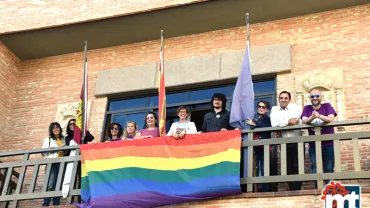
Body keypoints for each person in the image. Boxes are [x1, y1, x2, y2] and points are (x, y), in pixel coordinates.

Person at [301, 88, 336, 187]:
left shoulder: (327, 106)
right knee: (315, 167)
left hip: (328, 143)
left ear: (321, 97)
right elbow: (303, 121)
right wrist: (313, 117)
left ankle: (328, 189)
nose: (315, 98)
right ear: (310, 98)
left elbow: (331, 119)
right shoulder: (307, 108)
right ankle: (318, 189)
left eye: (317, 96)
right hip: (314, 144)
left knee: (328, 168)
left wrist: (319, 116)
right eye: (312, 96)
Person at [270, 91, 302, 191]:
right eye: (281, 98)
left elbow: (294, 121)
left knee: (297, 165)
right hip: (283, 142)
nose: (283, 100)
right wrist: (287, 121)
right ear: (278, 99)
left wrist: (281, 123)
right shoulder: (274, 109)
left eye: (285, 98)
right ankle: (292, 188)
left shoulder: (295, 107)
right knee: (287, 165)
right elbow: (274, 124)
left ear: (289, 100)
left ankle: (297, 188)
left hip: (297, 140)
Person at [246, 100, 272, 192]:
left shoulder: (268, 119)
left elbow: (267, 127)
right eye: (259, 106)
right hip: (254, 146)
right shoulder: (252, 118)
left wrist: (255, 124)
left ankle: (265, 190)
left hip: (264, 146)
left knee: (264, 168)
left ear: (267, 110)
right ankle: (254, 189)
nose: (261, 108)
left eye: (263, 107)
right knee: (254, 168)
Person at [41, 122, 65, 206]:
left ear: (60, 128)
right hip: (52, 163)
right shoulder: (48, 140)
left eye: (57, 127)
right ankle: (46, 203)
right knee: (50, 184)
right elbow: (43, 153)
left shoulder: (64, 139)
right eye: (53, 128)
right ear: (51, 130)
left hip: (62, 164)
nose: (56, 129)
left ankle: (56, 204)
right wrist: (57, 148)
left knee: (59, 185)